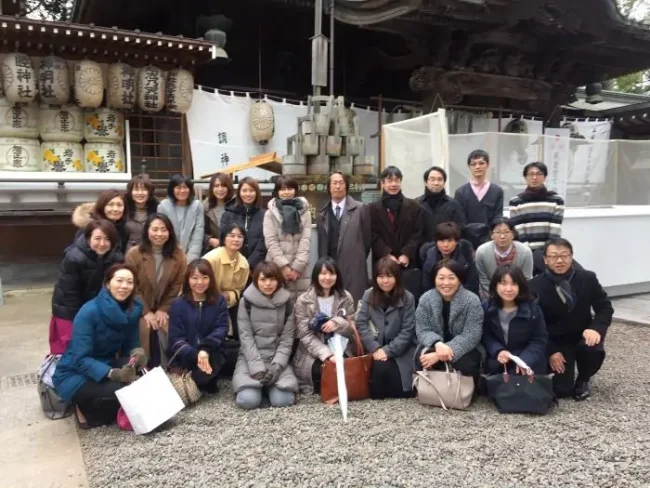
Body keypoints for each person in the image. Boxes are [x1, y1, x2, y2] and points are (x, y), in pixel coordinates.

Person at [52, 263, 147, 429]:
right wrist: (114, 373)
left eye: (130, 282)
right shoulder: (89, 311)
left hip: (104, 362)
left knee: (141, 377)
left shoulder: (133, 309)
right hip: (74, 371)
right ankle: (80, 405)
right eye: (119, 280)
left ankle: (104, 405)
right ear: (108, 283)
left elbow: (131, 344)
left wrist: (137, 354)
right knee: (121, 388)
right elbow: (80, 358)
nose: (124, 286)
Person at [529, 238, 613, 400]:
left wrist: (596, 328)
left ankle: (584, 378)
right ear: (545, 260)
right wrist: (551, 351)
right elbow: (534, 324)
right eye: (554, 256)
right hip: (556, 340)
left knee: (592, 347)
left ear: (571, 256)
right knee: (561, 390)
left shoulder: (587, 278)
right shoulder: (534, 286)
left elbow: (605, 308)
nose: (559, 260)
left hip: (583, 334)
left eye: (564, 255)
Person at [50, 220, 123, 354]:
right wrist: (81, 322)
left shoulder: (116, 258)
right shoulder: (74, 257)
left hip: (98, 311)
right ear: (88, 238)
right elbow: (69, 294)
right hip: (69, 311)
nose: (102, 243)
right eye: (97, 238)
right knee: (73, 350)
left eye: (107, 239)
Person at [232, 261, 298, 409]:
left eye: (272, 279)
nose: (268, 284)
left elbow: (287, 340)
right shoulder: (246, 302)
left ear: (278, 280)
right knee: (247, 401)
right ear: (256, 280)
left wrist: (277, 366)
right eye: (263, 280)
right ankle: (259, 387)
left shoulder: (287, 303)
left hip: (276, 358)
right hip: (251, 359)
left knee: (283, 400)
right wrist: (256, 368)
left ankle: (269, 387)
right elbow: (245, 337)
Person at [125, 213, 186, 366]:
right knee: (145, 329)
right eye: (155, 229)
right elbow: (132, 287)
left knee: (168, 328)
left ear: (169, 232)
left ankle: (171, 368)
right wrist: (146, 311)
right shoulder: (134, 254)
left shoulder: (178, 254)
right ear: (147, 231)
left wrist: (163, 309)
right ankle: (142, 369)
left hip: (164, 306)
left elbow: (177, 285)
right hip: (137, 306)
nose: (159, 234)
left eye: (163, 229)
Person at [292, 257, 356, 394]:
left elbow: (352, 327)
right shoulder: (304, 300)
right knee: (323, 370)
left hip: (340, 346)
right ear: (316, 276)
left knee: (343, 370)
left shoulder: (346, 297)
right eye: (323, 273)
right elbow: (304, 334)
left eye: (331, 273)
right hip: (312, 351)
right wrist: (327, 355)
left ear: (337, 276)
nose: (327, 277)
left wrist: (336, 323)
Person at [355, 258, 416, 399]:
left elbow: (408, 330)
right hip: (375, 349)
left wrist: (387, 350)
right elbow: (361, 324)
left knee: (401, 391)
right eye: (381, 276)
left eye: (389, 276)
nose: (385, 281)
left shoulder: (407, 298)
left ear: (396, 277)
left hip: (401, 350)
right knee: (377, 389)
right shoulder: (368, 295)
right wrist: (375, 348)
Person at [167, 259, 229, 394]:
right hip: (186, 355)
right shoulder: (178, 304)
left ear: (211, 279)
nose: (200, 282)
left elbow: (222, 328)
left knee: (209, 370)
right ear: (187, 279)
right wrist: (196, 354)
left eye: (204, 277)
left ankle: (204, 379)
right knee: (193, 381)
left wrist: (205, 349)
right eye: (194, 278)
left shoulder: (219, 301)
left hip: (211, 351)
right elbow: (175, 337)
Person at [415, 260, 483, 379]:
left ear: (459, 279)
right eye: (441, 278)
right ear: (434, 279)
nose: (446, 283)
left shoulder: (472, 300)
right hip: (434, 344)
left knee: (465, 364)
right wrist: (437, 344)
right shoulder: (426, 299)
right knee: (423, 358)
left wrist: (440, 354)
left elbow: (472, 335)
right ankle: (429, 392)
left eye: (451, 278)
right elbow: (422, 329)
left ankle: (461, 394)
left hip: (464, 347)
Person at [368, 166, 424, 300]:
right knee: (384, 298)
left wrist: (406, 253)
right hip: (383, 261)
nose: (394, 184)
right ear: (382, 183)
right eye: (389, 180)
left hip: (407, 263)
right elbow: (372, 234)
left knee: (407, 299)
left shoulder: (414, 206)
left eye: (397, 180)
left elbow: (418, 232)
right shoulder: (372, 209)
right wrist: (387, 254)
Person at [316, 171, 371, 304]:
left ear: (346, 186)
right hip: (329, 268)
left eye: (341, 183)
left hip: (353, 267)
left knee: (354, 305)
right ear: (329, 187)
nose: (338, 186)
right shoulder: (322, 212)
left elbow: (367, 239)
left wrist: (356, 256)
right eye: (334, 183)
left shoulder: (360, 209)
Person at [482, 265, 547, 375]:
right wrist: (498, 350)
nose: (508, 289)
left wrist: (525, 359)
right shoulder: (487, 307)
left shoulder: (533, 309)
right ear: (495, 286)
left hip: (527, 357)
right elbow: (486, 336)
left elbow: (539, 340)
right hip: (500, 359)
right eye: (503, 283)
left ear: (520, 286)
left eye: (514, 284)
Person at [508, 161, 565, 275]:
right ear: (525, 177)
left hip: (550, 251)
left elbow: (555, 228)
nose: (535, 177)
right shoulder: (516, 201)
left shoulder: (556, 200)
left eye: (539, 174)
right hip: (525, 251)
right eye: (531, 174)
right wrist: (529, 253)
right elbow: (518, 230)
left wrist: (548, 252)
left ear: (544, 177)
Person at [263, 176, 312, 302]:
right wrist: (284, 266)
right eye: (282, 189)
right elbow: (271, 241)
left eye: (290, 188)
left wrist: (297, 267)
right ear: (277, 192)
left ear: (295, 190)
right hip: (276, 266)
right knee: (278, 304)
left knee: (301, 305)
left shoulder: (304, 211)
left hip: (300, 268)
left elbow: (306, 239)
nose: (286, 192)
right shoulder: (270, 213)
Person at [202, 223, 251, 338]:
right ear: (223, 238)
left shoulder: (244, 263)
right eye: (232, 235)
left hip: (228, 305)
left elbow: (240, 289)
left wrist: (229, 295)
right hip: (204, 303)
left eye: (240, 236)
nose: (236, 239)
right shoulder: (211, 259)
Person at [454, 149, 504, 249]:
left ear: (487, 164)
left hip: (490, 242)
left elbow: (497, 218)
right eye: (473, 164)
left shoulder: (497, 191)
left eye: (481, 163)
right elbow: (460, 221)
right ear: (469, 167)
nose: (478, 167)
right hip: (466, 243)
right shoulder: (460, 192)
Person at [475, 217, 533, 298]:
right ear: (491, 235)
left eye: (507, 232)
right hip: (490, 296)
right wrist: (495, 298)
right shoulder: (481, 252)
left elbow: (526, 279)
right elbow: (483, 280)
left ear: (513, 234)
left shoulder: (525, 252)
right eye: (498, 232)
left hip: (518, 296)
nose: (502, 236)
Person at [220, 176, 266, 273]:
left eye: (252, 190)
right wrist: (237, 263)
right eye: (244, 190)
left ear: (257, 193)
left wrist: (248, 264)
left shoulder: (264, 215)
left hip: (256, 268)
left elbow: (263, 244)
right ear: (239, 193)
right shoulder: (228, 214)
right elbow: (223, 240)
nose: (248, 194)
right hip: (231, 265)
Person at [419, 222, 478, 295]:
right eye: (441, 241)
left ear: (456, 241)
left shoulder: (466, 255)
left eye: (450, 241)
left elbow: (472, 285)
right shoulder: (429, 256)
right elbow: (427, 287)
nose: (445, 245)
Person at [157, 174, 204, 262]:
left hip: (191, 256)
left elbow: (198, 234)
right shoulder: (163, 206)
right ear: (172, 189)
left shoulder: (197, 206)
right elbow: (162, 233)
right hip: (169, 255)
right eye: (178, 188)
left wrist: (190, 259)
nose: (182, 191)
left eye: (185, 187)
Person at [415, 166, 465, 241]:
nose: (436, 183)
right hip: (421, 250)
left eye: (440, 179)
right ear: (426, 182)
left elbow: (460, 228)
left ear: (444, 183)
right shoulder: (416, 204)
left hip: (447, 249)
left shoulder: (454, 205)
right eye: (432, 179)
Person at [72, 189, 128, 254]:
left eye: (119, 205)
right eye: (110, 205)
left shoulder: (124, 230)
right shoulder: (89, 227)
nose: (115, 209)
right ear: (102, 206)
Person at [124, 174, 159, 250]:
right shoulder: (123, 208)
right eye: (136, 189)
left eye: (144, 189)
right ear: (131, 192)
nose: (140, 193)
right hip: (128, 253)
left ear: (149, 192)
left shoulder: (158, 209)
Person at [203, 172, 235, 254]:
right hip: (212, 252)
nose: (220, 189)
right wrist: (209, 240)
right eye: (216, 186)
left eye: (223, 186)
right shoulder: (205, 207)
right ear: (211, 188)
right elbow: (199, 231)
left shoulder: (237, 206)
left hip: (234, 250)